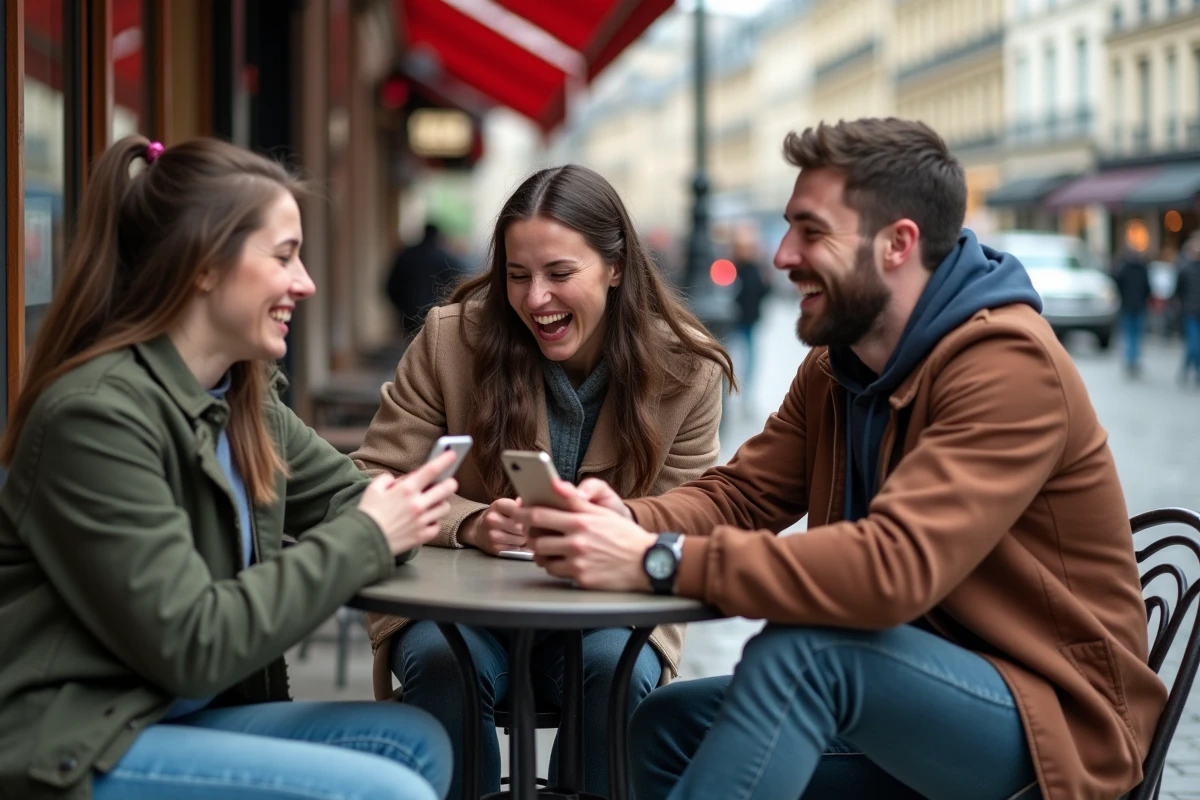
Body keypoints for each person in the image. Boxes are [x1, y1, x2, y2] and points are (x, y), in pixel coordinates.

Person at [512, 119, 1167, 800]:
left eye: (812, 231)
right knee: (663, 725)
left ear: (898, 243)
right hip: (901, 705)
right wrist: (629, 517)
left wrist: (659, 560)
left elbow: (893, 567)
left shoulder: (1008, 364)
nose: (784, 254)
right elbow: (741, 496)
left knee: (808, 654)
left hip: (1054, 729)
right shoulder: (838, 364)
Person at [0, 136, 461, 800]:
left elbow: (346, 496)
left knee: (414, 743)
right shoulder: (94, 418)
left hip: (174, 715)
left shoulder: (242, 394)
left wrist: (422, 514)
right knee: (388, 791)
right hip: (71, 744)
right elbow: (193, 644)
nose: (305, 283)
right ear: (204, 266)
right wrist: (369, 533)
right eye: (284, 257)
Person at [351, 164, 736, 800]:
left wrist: (620, 526)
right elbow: (373, 475)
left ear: (615, 267)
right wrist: (470, 522)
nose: (535, 299)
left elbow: (692, 511)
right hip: (463, 612)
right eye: (517, 275)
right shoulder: (452, 338)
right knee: (445, 663)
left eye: (560, 274)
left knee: (616, 670)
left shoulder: (686, 368)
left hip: (610, 612)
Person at [385, 221, 466, 340]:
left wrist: (402, 309)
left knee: (411, 349)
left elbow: (390, 287)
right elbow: (459, 288)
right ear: (438, 235)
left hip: (409, 316)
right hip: (439, 315)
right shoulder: (447, 259)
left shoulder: (406, 256)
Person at [729, 226, 772, 411]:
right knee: (733, 355)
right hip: (734, 319)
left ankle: (746, 395)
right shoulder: (733, 268)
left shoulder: (756, 268)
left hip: (750, 320)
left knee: (750, 358)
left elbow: (763, 292)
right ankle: (732, 391)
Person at [1114, 245, 1153, 376]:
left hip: (1127, 305)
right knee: (1136, 334)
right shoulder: (1143, 269)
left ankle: (1131, 359)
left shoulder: (1124, 268)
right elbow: (1148, 288)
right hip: (1139, 306)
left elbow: (1117, 283)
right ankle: (1134, 359)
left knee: (1129, 334)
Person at [1174, 235, 1200, 385]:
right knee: (1194, 343)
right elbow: (1178, 291)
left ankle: (1185, 371)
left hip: (1191, 311)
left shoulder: (1184, 268)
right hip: (1190, 312)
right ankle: (1195, 372)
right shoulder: (1185, 269)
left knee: (1194, 343)